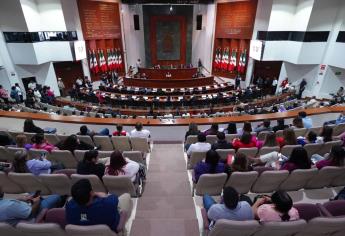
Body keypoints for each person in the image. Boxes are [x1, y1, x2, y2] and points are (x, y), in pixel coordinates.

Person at [0, 186, 64, 226]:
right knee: (56, 196)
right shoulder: (10, 206)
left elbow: (8, 205)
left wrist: (19, 199)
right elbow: (30, 213)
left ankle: (42, 201)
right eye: (1, 189)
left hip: (19, 210)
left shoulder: (7, 204)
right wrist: (37, 202)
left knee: (33, 194)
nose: (2, 189)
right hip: (33, 216)